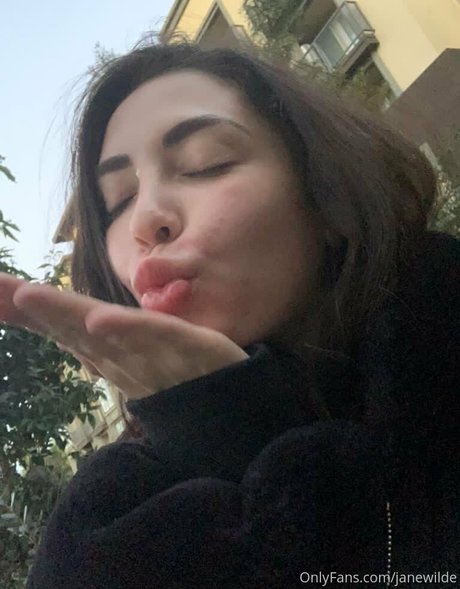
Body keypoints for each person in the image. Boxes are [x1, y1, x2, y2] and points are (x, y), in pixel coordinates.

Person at [0, 40, 458, 588]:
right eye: (118, 201)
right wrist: (215, 424)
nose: (145, 219)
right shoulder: (106, 519)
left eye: (205, 164)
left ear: (323, 192)